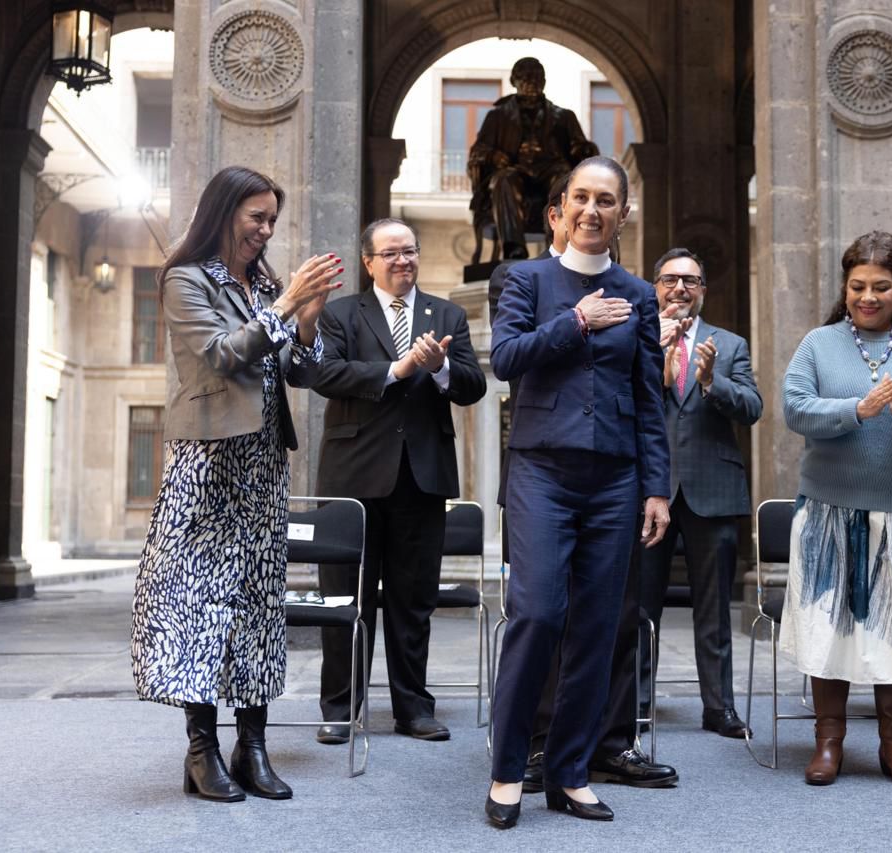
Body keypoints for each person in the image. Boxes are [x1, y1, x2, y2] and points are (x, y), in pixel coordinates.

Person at [130, 165, 341, 802]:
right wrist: (284, 306)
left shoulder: (266, 284)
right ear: (225, 214)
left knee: (256, 606)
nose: (267, 230)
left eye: (273, 219)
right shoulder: (185, 279)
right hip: (207, 463)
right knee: (199, 604)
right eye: (257, 217)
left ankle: (253, 748)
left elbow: (302, 371)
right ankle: (202, 751)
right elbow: (221, 356)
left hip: (262, 465)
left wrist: (308, 319)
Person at [485, 156, 671, 828]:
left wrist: (657, 487)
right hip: (541, 472)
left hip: (616, 480)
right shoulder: (526, 279)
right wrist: (578, 322)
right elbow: (505, 358)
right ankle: (509, 770)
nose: (593, 210)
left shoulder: (639, 293)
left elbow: (648, 396)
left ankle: (569, 772)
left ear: (623, 214)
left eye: (607, 200)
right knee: (537, 614)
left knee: (598, 626)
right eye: (582, 198)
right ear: (559, 210)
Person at [780, 230, 892, 787]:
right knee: (828, 630)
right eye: (857, 285)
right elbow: (795, 408)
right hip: (830, 512)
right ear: (845, 287)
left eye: (880, 286)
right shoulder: (818, 343)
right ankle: (828, 743)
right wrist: (857, 410)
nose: (867, 296)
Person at [311, 218, 486, 744]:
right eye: (390, 253)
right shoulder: (341, 313)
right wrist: (398, 368)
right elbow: (325, 375)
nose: (403, 260)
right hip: (353, 478)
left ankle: (413, 709)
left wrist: (440, 369)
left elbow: (474, 385)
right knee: (347, 599)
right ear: (369, 262)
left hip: (421, 478)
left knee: (414, 601)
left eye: (409, 251)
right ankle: (340, 708)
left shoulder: (447, 313)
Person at [638, 247, 762, 739]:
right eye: (670, 280)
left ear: (703, 290)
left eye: (690, 281)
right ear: (655, 288)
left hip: (713, 489)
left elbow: (751, 408)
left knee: (714, 609)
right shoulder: (638, 337)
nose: (680, 288)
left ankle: (719, 707)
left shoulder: (729, 344)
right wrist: (656, 361)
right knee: (640, 606)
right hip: (650, 489)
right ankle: (636, 705)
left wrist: (712, 382)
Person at [467, 57, 600, 260]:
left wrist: (584, 150)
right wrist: (493, 155)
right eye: (525, 78)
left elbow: (581, 147)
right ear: (514, 81)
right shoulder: (498, 116)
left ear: (544, 81)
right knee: (503, 180)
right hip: (515, 169)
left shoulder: (564, 116)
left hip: (552, 168)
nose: (531, 83)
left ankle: (561, 245)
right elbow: (478, 151)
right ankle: (514, 249)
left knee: (565, 182)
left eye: (537, 78)